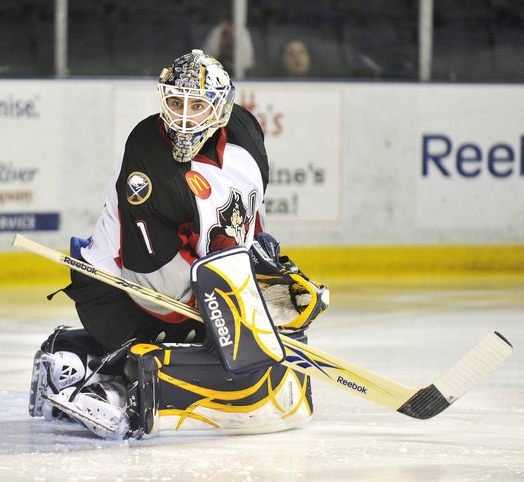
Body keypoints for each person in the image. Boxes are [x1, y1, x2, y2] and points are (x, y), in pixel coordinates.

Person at [29, 49, 328, 439]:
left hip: (184, 284)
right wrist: (235, 310)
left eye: (198, 105)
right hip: (119, 294)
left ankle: (79, 360)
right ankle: (104, 382)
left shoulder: (245, 134)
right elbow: (153, 286)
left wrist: (269, 272)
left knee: (246, 332)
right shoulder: (149, 155)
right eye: (174, 102)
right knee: (207, 340)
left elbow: (249, 222)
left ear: (221, 109)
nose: (184, 117)